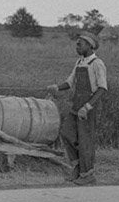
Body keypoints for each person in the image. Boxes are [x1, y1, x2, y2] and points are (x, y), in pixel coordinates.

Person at [46, 31, 107, 185]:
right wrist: (57, 88)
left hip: (88, 108)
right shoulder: (79, 62)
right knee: (67, 134)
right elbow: (70, 82)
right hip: (76, 105)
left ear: (90, 45)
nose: (77, 46)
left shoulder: (97, 64)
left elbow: (102, 89)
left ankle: (88, 175)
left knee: (85, 141)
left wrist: (87, 107)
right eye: (77, 43)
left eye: (80, 44)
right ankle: (78, 168)